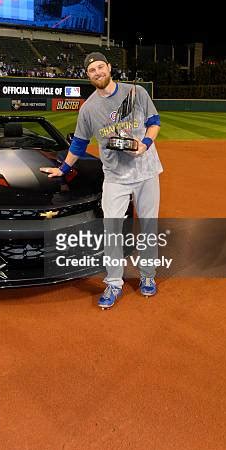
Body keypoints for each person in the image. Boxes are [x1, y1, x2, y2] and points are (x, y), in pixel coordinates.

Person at [40, 52, 163, 309]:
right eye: (92, 70)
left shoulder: (136, 92)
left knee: (149, 227)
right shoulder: (88, 109)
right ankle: (114, 282)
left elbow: (154, 122)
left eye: (100, 67)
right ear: (88, 76)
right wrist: (62, 168)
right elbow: (79, 143)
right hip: (116, 177)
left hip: (146, 171)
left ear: (109, 67)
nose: (97, 72)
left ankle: (148, 276)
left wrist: (145, 144)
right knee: (112, 231)